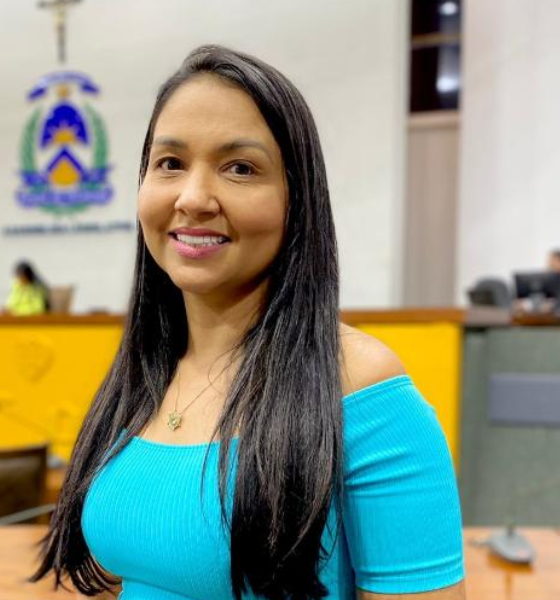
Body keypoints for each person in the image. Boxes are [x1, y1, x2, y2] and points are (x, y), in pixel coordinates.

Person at [34, 46, 465, 599]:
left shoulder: (362, 390)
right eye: (170, 163)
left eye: (240, 168)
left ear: (296, 200)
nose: (193, 198)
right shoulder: (148, 374)